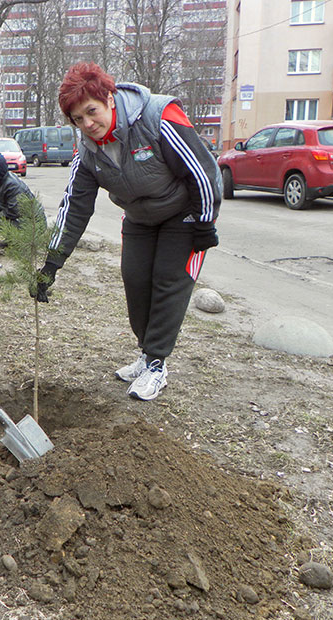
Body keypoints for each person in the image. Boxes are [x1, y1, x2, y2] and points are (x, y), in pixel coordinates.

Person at [32, 62, 221, 401]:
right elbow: (75, 205)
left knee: (168, 280)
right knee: (135, 280)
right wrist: (51, 265)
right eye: (78, 119)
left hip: (185, 213)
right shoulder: (87, 151)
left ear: (109, 98)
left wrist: (205, 220)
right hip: (139, 218)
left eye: (92, 112)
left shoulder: (158, 116)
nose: (88, 124)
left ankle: (157, 364)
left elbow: (203, 169)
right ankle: (146, 354)